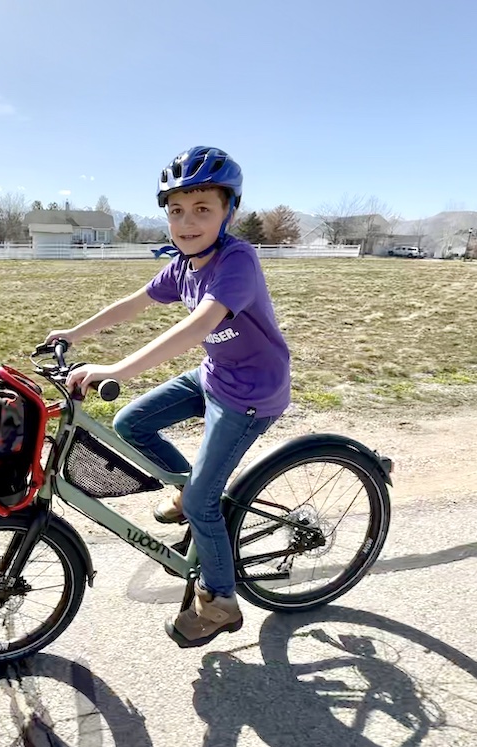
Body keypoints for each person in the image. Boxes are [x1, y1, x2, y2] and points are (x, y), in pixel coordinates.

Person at [45, 145, 291, 648]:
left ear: (229, 212)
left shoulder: (237, 261)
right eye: (176, 210)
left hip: (251, 394)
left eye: (202, 209)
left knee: (203, 502)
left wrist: (116, 368)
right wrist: (74, 332)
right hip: (214, 375)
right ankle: (190, 491)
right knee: (130, 424)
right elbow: (133, 303)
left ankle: (220, 602)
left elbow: (199, 324)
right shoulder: (182, 265)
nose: (187, 222)